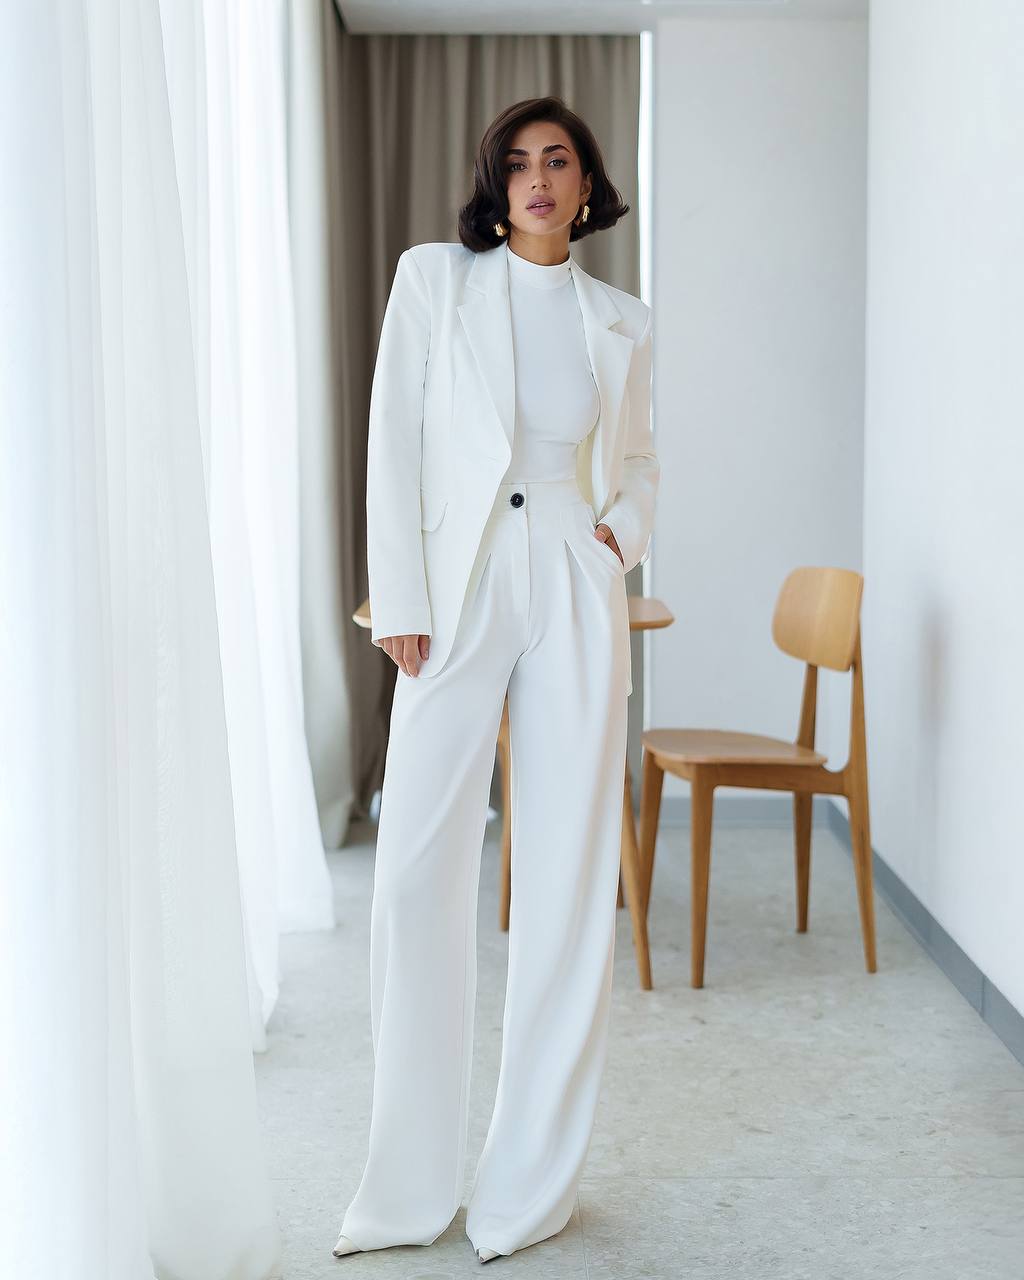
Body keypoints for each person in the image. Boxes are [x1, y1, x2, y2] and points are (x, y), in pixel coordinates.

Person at [334, 94, 659, 1264]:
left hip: (572, 574)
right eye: (516, 162)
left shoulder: (619, 317)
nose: (535, 178)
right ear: (495, 182)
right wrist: (403, 601)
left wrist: (615, 536)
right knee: (416, 868)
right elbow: (392, 439)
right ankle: (405, 1188)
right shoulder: (435, 281)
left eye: (557, 160)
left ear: (584, 185)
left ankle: (527, 1189)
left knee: (568, 877)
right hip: (460, 585)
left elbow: (638, 462)